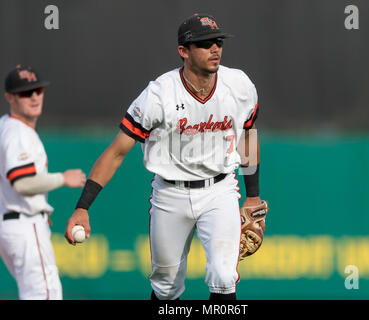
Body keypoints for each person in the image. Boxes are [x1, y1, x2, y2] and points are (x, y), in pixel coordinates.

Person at [64, 13, 265, 300]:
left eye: (218, 41)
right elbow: (117, 151)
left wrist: (254, 196)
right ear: (183, 51)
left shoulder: (239, 85)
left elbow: (248, 134)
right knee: (166, 287)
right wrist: (83, 207)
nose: (215, 48)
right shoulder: (159, 95)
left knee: (223, 277)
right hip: (170, 194)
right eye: (205, 43)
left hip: (220, 189)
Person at [0, 65, 86, 300]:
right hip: (25, 227)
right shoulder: (18, 133)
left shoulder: (5, 127)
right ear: (10, 97)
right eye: (25, 92)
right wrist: (62, 178)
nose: (35, 97)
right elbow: (21, 183)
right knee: (44, 295)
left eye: (38, 90)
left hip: (13, 224)